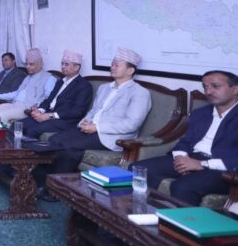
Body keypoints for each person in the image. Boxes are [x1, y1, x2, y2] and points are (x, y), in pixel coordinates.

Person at [34, 47, 151, 201]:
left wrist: (97, 127)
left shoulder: (139, 93)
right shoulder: (104, 88)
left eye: (117, 65)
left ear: (130, 70)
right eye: (112, 64)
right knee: (55, 140)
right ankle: (43, 183)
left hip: (111, 136)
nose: (112, 67)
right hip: (90, 129)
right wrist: (85, 121)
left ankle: (54, 189)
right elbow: (94, 111)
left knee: (67, 146)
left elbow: (132, 124)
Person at [131, 70, 238, 206]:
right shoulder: (200, 113)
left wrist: (202, 164)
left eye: (215, 86)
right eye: (205, 87)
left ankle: (184, 221)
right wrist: (181, 158)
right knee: (138, 169)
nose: (208, 92)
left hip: (224, 168)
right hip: (192, 156)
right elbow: (186, 141)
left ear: (235, 89)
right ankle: (144, 210)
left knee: (182, 187)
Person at [20, 50, 93, 138]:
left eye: (66, 64)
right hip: (47, 114)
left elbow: (77, 112)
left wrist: (50, 116)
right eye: (62, 64)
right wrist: (39, 111)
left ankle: (23, 147)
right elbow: (49, 99)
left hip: (64, 120)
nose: (62, 67)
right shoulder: (60, 82)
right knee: (18, 125)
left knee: (31, 130)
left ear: (76, 67)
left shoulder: (84, 86)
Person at [0, 48, 56, 124]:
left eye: (31, 64)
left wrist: (38, 104)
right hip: (14, 104)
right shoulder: (28, 77)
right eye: (26, 64)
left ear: (39, 64)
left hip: (27, 109)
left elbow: (49, 97)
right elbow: (16, 93)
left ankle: (3, 132)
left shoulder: (49, 78)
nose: (27, 67)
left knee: (3, 115)